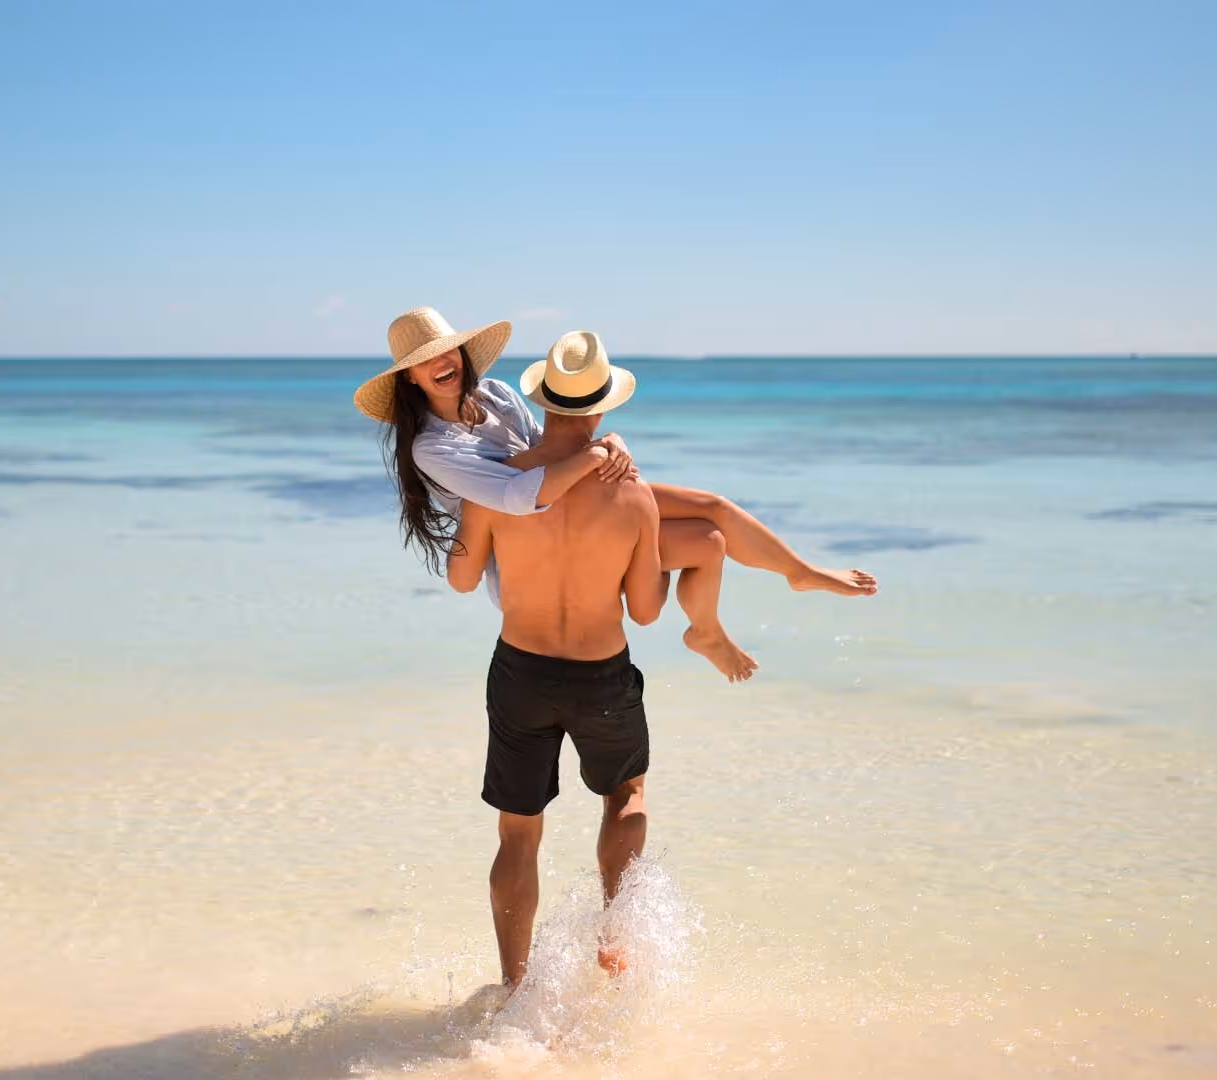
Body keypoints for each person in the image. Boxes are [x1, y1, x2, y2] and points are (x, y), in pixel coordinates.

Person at [354, 307, 875, 684]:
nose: (443, 363)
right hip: (518, 538)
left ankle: (795, 575)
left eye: (448, 351)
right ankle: (708, 631)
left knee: (712, 517)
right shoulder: (432, 446)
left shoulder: (495, 395)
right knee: (702, 541)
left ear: (463, 353)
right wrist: (600, 455)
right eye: (427, 361)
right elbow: (513, 495)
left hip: (560, 497)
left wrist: (606, 444)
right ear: (410, 379)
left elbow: (541, 448)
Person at [444, 331, 665, 987]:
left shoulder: (498, 485)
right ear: (602, 410)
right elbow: (648, 610)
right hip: (602, 673)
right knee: (625, 795)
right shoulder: (634, 494)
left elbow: (462, 580)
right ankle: (614, 948)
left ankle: (516, 986)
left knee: (518, 834)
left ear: (543, 403)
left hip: (522, 670)